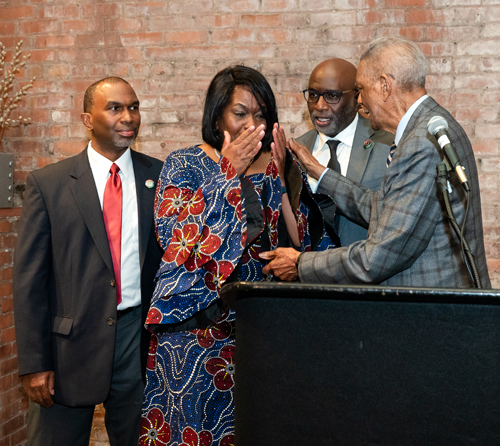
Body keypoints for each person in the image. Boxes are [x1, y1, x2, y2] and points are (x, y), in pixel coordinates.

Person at [139, 66, 337, 445]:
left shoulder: (277, 162)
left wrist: (282, 178)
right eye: (241, 113)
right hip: (197, 328)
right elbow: (176, 242)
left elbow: (301, 242)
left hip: (262, 324)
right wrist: (228, 171)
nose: (253, 123)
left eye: (261, 114)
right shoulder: (185, 164)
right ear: (218, 116)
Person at [262, 36, 491, 289]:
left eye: (361, 89)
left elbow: (379, 257)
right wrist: (321, 173)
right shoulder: (431, 124)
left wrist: (301, 264)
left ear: (384, 86)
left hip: (433, 315)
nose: (359, 101)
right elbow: (382, 209)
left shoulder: (420, 144)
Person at [13, 77, 163, 446]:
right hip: (68, 348)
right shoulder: (49, 184)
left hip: (138, 340)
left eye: (134, 107)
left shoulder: (160, 178)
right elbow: (29, 279)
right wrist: (34, 362)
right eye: (115, 108)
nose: (128, 117)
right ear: (86, 119)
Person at [291, 58, 393, 246]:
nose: (319, 106)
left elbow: (392, 217)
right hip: (306, 271)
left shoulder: (387, 143)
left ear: (357, 98)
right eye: (313, 95)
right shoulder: (295, 151)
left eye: (332, 96)